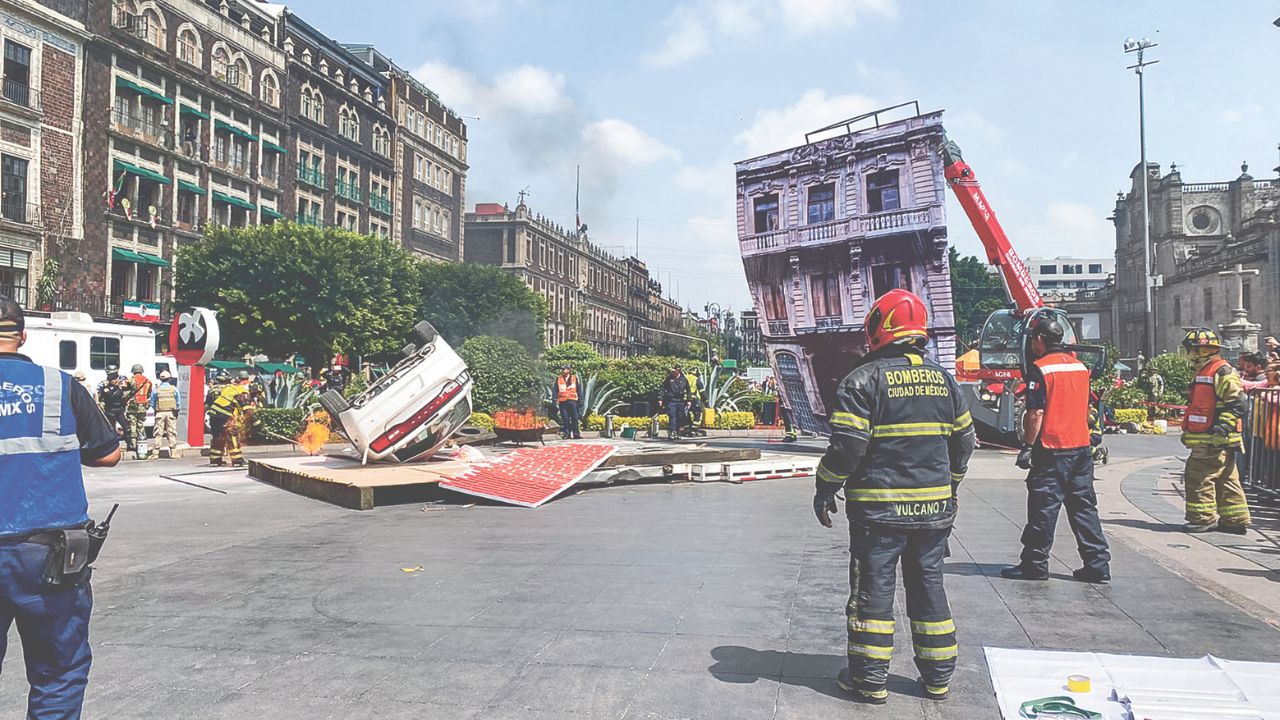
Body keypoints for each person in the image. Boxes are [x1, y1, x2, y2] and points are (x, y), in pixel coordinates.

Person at [812, 289, 974, 704]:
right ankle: (938, 679)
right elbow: (965, 442)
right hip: (935, 513)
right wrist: (950, 485)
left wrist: (826, 484)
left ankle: (869, 680)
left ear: (877, 329)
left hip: (879, 514)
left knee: (874, 592)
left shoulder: (862, 380)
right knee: (929, 588)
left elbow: (847, 446)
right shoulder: (945, 381)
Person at [0, 296, 121, 718]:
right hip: (49, 557)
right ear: (22, 335)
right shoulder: (61, 386)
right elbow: (108, 454)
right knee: (58, 675)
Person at [1001, 317, 1111, 583]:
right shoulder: (1080, 367)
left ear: (1039, 339)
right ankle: (1097, 564)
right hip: (1081, 449)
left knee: (1043, 509)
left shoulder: (1041, 370)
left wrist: (1027, 446)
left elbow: (1036, 413)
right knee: (1084, 508)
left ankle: (1035, 565)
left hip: (1052, 450)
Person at [1179, 328, 1251, 534]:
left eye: (1190, 350)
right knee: (1226, 478)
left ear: (1199, 351)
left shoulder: (1221, 371)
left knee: (1198, 477)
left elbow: (1239, 404)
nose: (1188, 355)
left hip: (1213, 438)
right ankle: (1234, 520)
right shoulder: (1207, 370)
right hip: (1213, 438)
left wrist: (1223, 427)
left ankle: (1202, 519)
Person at [208, 371, 251, 467]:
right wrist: (257, 423)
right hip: (226, 416)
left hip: (214, 415)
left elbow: (208, 404)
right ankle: (237, 460)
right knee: (232, 436)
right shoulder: (238, 390)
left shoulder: (214, 390)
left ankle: (215, 459)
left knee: (218, 437)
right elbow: (247, 410)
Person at [96, 364, 129, 448]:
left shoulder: (122, 381)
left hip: (119, 410)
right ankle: (113, 446)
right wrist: (117, 387)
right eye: (113, 378)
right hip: (110, 410)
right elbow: (108, 395)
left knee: (127, 427)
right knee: (112, 430)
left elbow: (128, 388)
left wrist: (124, 385)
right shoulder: (104, 385)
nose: (115, 379)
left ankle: (130, 444)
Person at [150, 370, 182, 459]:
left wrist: (156, 409)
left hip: (159, 413)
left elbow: (152, 402)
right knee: (171, 432)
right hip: (171, 413)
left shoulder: (156, 390)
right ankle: (173, 453)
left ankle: (155, 453)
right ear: (169, 378)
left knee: (158, 433)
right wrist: (176, 411)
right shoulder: (174, 389)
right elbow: (178, 402)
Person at [126, 363, 153, 459]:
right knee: (141, 424)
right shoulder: (148, 381)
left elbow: (126, 391)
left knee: (132, 423)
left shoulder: (131, 380)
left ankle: (133, 444)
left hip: (133, 405)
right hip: (143, 405)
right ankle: (142, 443)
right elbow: (149, 394)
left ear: (133, 371)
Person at [659, 364, 690, 441]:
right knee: (672, 416)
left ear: (678, 371)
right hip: (671, 401)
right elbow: (662, 388)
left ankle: (677, 432)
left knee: (680, 417)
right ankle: (672, 432)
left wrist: (689, 400)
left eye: (674, 371)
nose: (673, 373)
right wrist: (660, 399)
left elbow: (688, 390)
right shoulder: (669, 379)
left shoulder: (684, 379)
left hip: (680, 401)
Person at [555, 365, 582, 440]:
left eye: (565, 369)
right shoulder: (559, 379)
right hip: (562, 401)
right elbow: (555, 389)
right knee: (565, 418)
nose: (563, 370)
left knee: (574, 418)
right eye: (563, 369)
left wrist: (580, 400)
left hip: (572, 400)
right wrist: (555, 399)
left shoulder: (574, 378)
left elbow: (578, 389)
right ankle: (567, 433)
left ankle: (576, 433)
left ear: (569, 370)